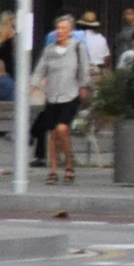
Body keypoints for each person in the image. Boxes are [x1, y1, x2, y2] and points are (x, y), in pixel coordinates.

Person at [30, 12, 93, 183]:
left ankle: (70, 163)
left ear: (71, 31)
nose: (60, 31)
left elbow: (84, 69)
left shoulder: (78, 47)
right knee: (52, 134)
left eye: (64, 28)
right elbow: (40, 69)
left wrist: (84, 86)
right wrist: (33, 84)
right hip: (52, 95)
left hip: (70, 94)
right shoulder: (49, 50)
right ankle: (53, 170)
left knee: (62, 129)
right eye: (58, 28)